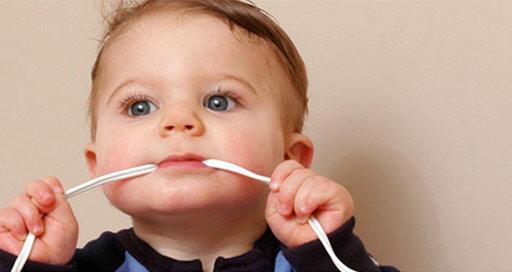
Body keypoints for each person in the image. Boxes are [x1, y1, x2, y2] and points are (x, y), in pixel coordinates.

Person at [0, 1, 399, 271]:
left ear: (289, 158)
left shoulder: (315, 260)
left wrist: (329, 249)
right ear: (97, 163)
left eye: (219, 101)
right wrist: (29, 264)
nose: (178, 122)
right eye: (140, 107)